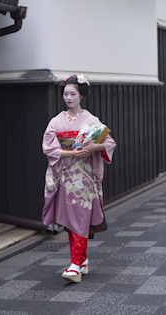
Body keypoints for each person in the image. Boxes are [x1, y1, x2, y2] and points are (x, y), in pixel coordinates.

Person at [42, 74, 116, 283]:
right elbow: (49, 148)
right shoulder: (56, 121)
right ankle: (81, 261)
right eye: (65, 93)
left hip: (84, 177)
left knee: (80, 218)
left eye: (72, 93)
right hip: (65, 175)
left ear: (82, 95)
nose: (68, 97)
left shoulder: (91, 120)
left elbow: (109, 142)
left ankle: (76, 264)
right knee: (70, 218)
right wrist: (70, 153)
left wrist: (94, 147)